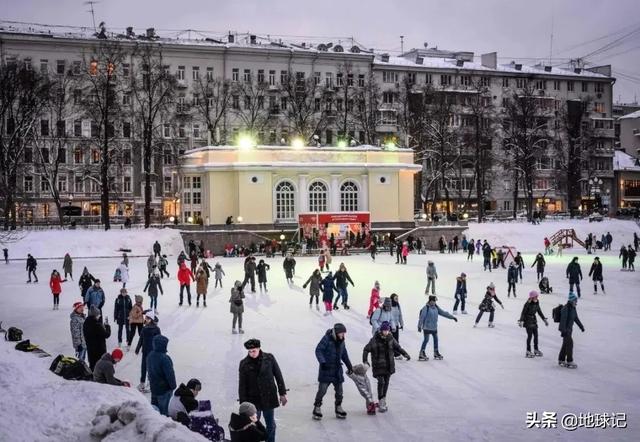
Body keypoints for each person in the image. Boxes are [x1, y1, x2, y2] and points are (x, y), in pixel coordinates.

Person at [238, 339, 287, 442]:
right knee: (254, 424)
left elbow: (278, 375)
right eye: (249, 351)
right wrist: (243, 404)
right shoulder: (244, 364)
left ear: (259, 348)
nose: (251, 353)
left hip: (269, 397)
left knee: (271, 424)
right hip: (253, 400)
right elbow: (242, 385)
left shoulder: (269, 358)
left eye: (254, 351)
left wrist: (282, 393)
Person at [362, 321, 410, 412]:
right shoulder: (374, 339)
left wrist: (405, 354)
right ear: (381, 330)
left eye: (387, 331)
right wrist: (365, 361)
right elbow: (366, 349)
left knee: (386, 382)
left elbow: (398, 347)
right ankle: (381, 400)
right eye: (384, 331)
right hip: (378, 366)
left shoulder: (391, 338)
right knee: (381, 382)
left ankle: (383, 399)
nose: (386, 332)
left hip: (388, 365)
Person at [313, 323, 353, 421]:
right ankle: (317, 407)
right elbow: (318, 350)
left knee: (339, 391)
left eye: (344, 333)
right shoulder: (327, 338)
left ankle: (338, 407)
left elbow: (344, 354)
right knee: (322, 390)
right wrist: (322, 362)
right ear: (336, 332)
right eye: (341, 333)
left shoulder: (342, 342)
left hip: (337, 370)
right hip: (326, 369)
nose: (343, 335)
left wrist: (349, 366)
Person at [418, 295, 457, 361]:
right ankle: (421, 353)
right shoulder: (426, 308)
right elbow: (422, 317)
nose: (434, 302)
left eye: (435, 301)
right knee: (426, 340)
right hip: (427, 327)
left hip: (434, 328)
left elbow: (444, 313)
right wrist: (419, 326)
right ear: (430, 301)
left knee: (436, 340)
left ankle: (436, 352)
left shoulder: (436, 308)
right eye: (433, 301)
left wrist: (452, 317)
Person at [147, 334, 177, 416]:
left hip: (154, 388)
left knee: (154, 412)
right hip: (164, 390)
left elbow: (149, 372)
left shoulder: (150, 355)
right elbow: (170, 374)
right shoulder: (164, 358)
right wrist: (173, 386)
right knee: (164, 414)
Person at [135, 310, 161, 392]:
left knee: (151, 368)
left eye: (147, 318)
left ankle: (150, 384)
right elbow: (141, 339)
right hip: (145, 351)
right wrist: (138, 348)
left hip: (152, 352)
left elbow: (159, 340)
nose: (145, 319)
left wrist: (159, 350)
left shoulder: (156, 329)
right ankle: (142, 383)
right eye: (145, 318)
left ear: (151, 319)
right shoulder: (144, 328)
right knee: (143, 367)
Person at [558, 292, 585, 369]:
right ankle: (569, 361)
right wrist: (563, 331)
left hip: (569, 330)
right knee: (570, 344)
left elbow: (576, 318)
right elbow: (563, 321)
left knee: (565, 345)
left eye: (576, 300)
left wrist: (581, 326)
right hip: (565, 330)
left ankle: (561, 359)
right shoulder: (565, 309)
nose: (576, 302)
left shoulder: (573, 308)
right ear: (571, 300)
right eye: (575, 300)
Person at [519, 290, 549, 358]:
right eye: (535, 297)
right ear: (532, 297)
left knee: (536, 336)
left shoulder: (537, 303)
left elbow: (539, 312)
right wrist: (521, 321)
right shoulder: (527, 304)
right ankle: (528, 351)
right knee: (529, 336)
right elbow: (523, 313)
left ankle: (536, 349)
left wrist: (544, 320)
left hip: (534, 321)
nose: (536, 298)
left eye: (537, 296)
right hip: (527, 321)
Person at [83, 306, 111, 371]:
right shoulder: (97, 325)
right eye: (98, 314)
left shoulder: (86, 323)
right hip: (99, 349)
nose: (99, 316)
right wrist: (107, 326)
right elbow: (106, 335)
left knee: (92, 364)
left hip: (90, 348)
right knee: (99, 366)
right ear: (95, 315)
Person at [389, 293, 404, 358]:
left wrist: (401, 323)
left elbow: (400, 315)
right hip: (389, 326)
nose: (397, 300)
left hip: (396, 325)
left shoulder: (398, 305)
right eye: (395, 298)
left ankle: (396, 354)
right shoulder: (389, 305)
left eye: (397, 298)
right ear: (392, 299)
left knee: (396, 340)